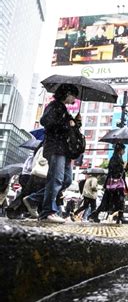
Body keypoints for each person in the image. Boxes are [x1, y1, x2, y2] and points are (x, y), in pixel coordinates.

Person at [24, 84, 80, 223]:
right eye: (74, 95)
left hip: (64, 149)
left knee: (66, 180)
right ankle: (48, 212)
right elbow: (45, 121)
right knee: (55, 179)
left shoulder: (63, 109)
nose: (74, 99)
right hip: (55, 147)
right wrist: (68, 124)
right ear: (67, 93)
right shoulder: (55, 106)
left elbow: (65, 128)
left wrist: (75, 123)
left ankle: (33, 199)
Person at [88, 143, 128, 224]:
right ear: (120, 150)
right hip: (114, 185)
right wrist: (122, 168)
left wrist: (125, 168)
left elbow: (121, 171)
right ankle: (95, 215)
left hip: (117, 184)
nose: (124, 151)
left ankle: (120, 217)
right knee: (114, 201)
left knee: (117, 201)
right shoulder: (114, 158)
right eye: (123, 149)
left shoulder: (119, 158)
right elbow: (113, 171)